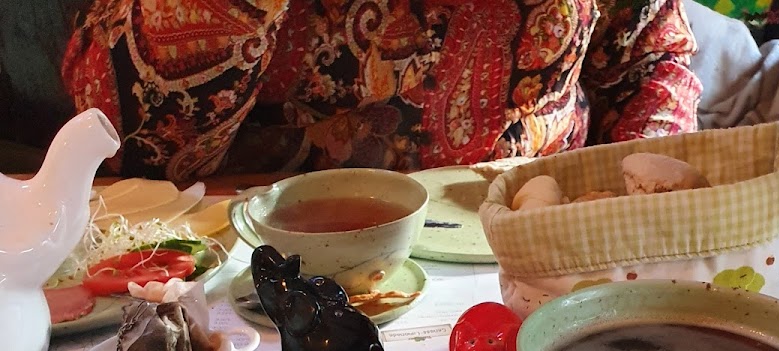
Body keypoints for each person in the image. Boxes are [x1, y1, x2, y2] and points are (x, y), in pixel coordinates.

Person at [59, 0, 702, 184]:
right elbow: (125, 147)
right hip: (267, 275)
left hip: (543, 246)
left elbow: (651, 63)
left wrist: (637, 205)